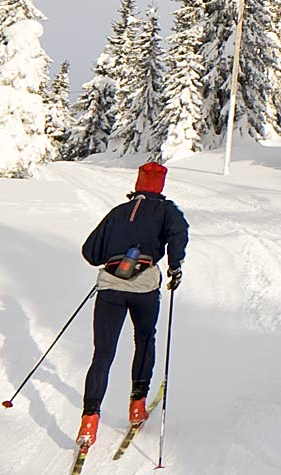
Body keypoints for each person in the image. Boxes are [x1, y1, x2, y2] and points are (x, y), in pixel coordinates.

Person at [75, 161, 189, 447]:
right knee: (144, 340)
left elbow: (90, 252)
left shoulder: (118, 212)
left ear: (137, 185)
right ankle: (137, 405)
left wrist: (115, 254)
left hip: (111, 287)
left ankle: (89, 422)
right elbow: (179, 234)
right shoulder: (167, 211)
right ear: (160, 187)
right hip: (144, 287)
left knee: (102, 353)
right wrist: (175, 267)